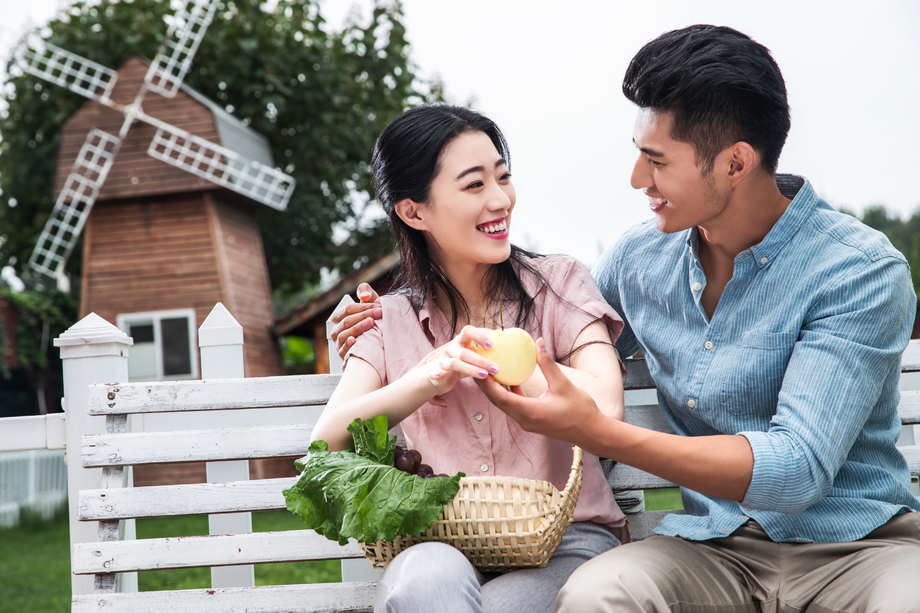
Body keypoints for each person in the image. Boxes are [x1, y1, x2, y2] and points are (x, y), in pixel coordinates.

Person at [333, 26, 920, 612]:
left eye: (656, 161)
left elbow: (796, 471)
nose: (638, 180)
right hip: (716, 551)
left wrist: (598, 432)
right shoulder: (641, 261)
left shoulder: (858, 271)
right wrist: (375, 320)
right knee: (598, 593)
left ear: (736, 163)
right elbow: (547, 310)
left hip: (860, 549)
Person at [312, 104, 629, 613]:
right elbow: (327, 440)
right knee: (423, 584)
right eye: (474, 185)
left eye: (503, 178)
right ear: (414, 211)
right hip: (438, 540)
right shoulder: (387, 318)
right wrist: (430, 374)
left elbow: (606, 404)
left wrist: (512, 362)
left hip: (567, 542)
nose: (500, 200)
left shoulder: (561, 284)